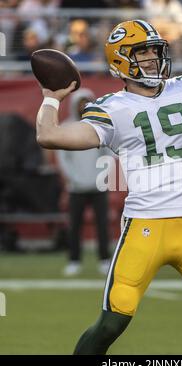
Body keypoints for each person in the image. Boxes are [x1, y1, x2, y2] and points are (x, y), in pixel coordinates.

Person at [35, 19, 182, 355]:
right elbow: (48, 136)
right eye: (143, 52)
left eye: (156, 50)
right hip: (145, 228)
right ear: (121, 61)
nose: (154, 58)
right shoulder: (112, 109)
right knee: (111, 324)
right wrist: (51, 98)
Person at [56, 88, 111, 276]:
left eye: (86, 102)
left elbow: (108, 154)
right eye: (80, 103)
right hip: (75, 188)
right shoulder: (66, 127)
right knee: (74, 226)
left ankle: (104, 260)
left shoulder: (100, 126)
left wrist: (102, 176)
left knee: (103, 225)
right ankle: (74, 261)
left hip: (98, 187)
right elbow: (63, 158)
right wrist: (74, 178)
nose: (83, 106)